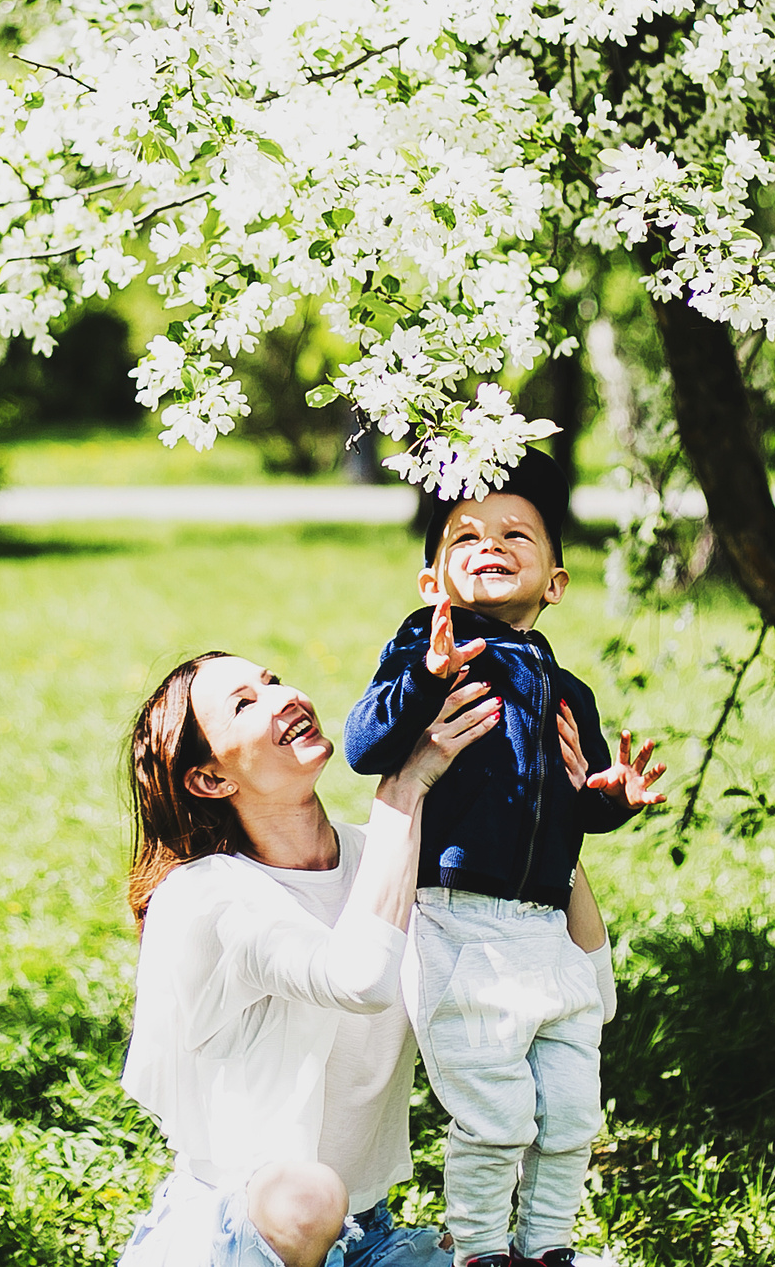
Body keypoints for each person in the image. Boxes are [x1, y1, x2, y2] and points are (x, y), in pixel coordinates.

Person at [344, 450, 667, 1267]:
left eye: (517, 534)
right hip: (455, 924)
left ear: (554, 582)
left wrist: (612, 795)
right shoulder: (427, 649)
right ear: (432, 584)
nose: (492, 543)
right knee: (493, 1116)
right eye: (466, 536)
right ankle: (481, 1251)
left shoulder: (569, 691)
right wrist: (424, 677)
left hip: (545, 928)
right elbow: (364, 745)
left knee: (569, 1112)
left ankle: (546, 1247)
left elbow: (576, 806)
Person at [120, 648, 517, 1267]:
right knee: (306, 1196)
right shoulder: (205, 896)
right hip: (237, 1233)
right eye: (245, 704)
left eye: (272, 681)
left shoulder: (381, 856)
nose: (284, 698)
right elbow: (359, 978)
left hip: (368, 1235)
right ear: (211, 780)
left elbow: (571, 971)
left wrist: (560, 819)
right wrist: (404, 789)